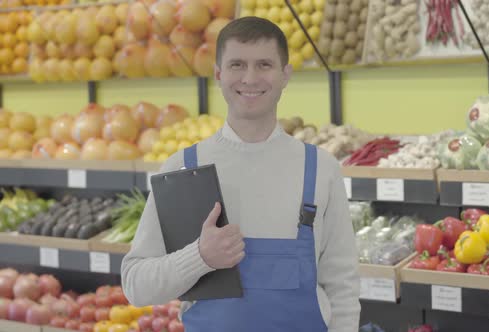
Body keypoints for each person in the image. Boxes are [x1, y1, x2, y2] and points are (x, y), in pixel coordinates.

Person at [121, 16, 361, 332]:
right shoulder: (183, 168)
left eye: (264, 65)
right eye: (237, 65)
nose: (250, 78)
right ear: (218, 74)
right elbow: (136, 285)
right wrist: (200, 256)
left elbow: (343, 287)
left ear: (285, 74)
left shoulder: (320, 168)